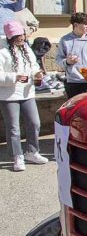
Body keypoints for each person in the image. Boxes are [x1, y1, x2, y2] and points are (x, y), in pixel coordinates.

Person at [0, 20, 47, 171]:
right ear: (10, 37)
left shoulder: (27, 49)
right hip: (9, 95)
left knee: (35, 123)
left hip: (27, 92)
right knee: (14, 128)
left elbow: (33, 66)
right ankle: (17, 156)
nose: (21, 38)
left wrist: (37, 73)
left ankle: (32, 152)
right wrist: (14, 77)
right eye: (17, 36)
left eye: (22, 35)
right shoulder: (3, 52)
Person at [56, 12, 87, 98]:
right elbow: (58, 59)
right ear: (76, 25)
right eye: (85, 24)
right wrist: (67, 61)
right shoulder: (65, 40)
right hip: (73, 82)